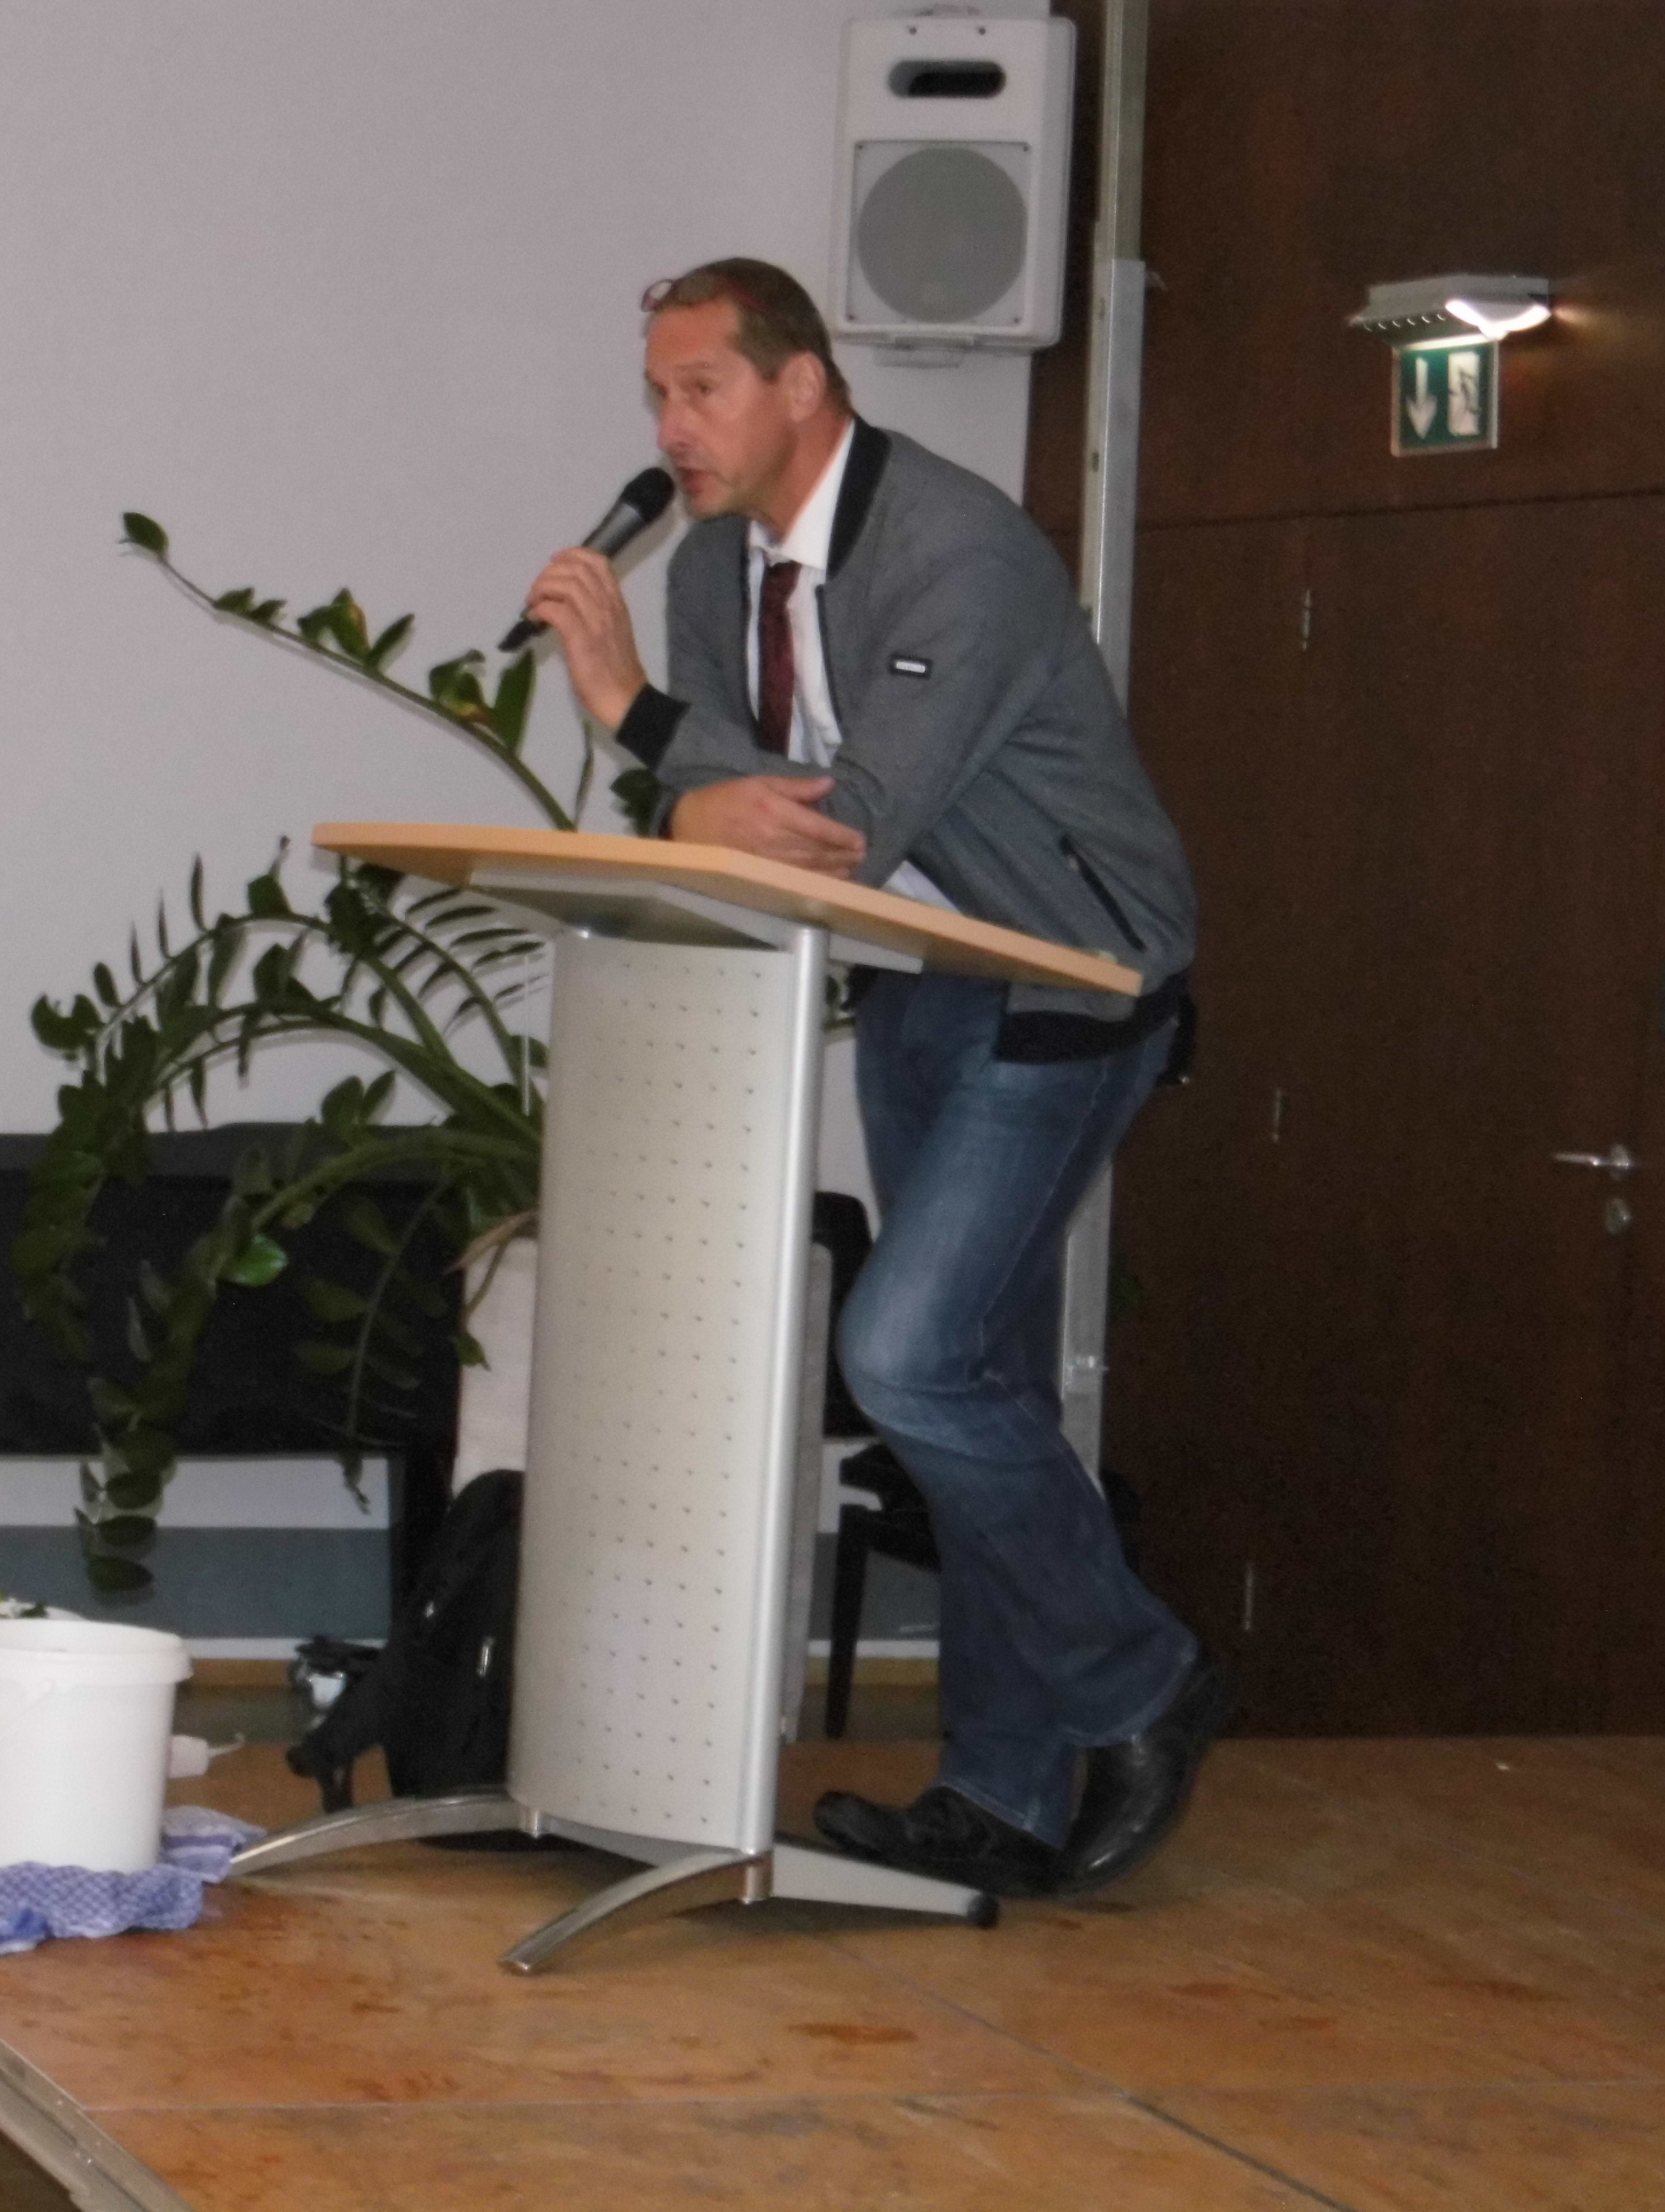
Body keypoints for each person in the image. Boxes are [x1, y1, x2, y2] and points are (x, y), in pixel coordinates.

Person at [521, 258, 1228, 1898]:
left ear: (803, 385)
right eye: (657, 394)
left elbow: (842, 819)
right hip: (920, 978)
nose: (671, 428)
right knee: (980, 1373)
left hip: (1073, 978)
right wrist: (690, 784)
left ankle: (1144, 1677)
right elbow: (733, 809)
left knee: (906, 1355)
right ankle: (1004, 1793)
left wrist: (636, 722)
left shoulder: (958, 551)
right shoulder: (718, 566)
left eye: (701, 389)